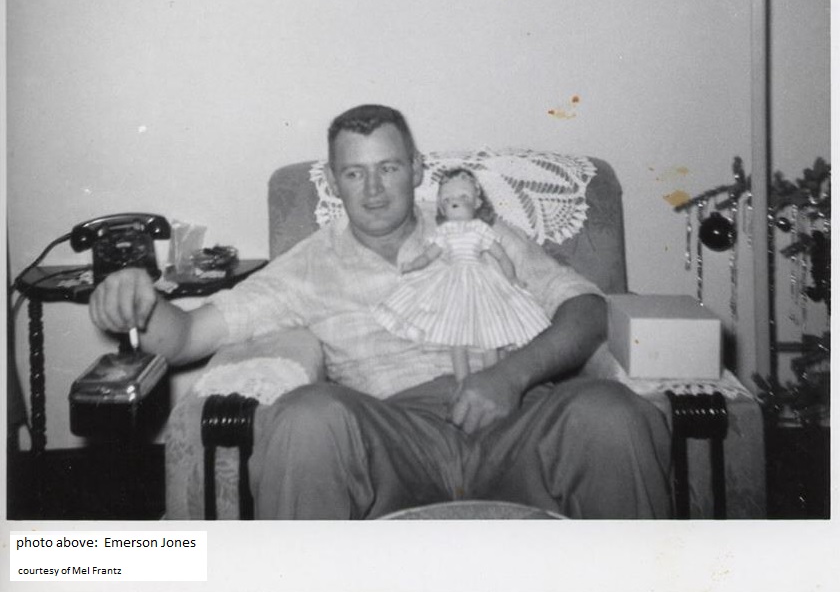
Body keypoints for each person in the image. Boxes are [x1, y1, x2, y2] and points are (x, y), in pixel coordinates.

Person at [89, 103, 672, 519]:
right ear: (333, 182)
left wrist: (511, 377)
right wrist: (138, 301)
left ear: (417, 170)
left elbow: (587, 310)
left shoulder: (482, 232)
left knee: (611, 413)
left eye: (388, 168)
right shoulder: (307, 266)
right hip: (394, 440)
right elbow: (187, 335)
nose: (373, 190)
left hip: (518, 421)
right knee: (306, 417)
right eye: (354, 173)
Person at [373, 167, 551, 380]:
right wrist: (412, 265)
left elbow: (502, 256)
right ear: (441, 207)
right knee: (455, 336)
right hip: (452, 284)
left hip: (482, 282)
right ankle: (462, 381)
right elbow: (428, 256)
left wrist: (512, 278)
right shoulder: (444, 232)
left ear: (477, 203)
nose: (455, 202)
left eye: (463, 197)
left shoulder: (480, 229)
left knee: (490, 332)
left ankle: (491, 378)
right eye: (448, 199)